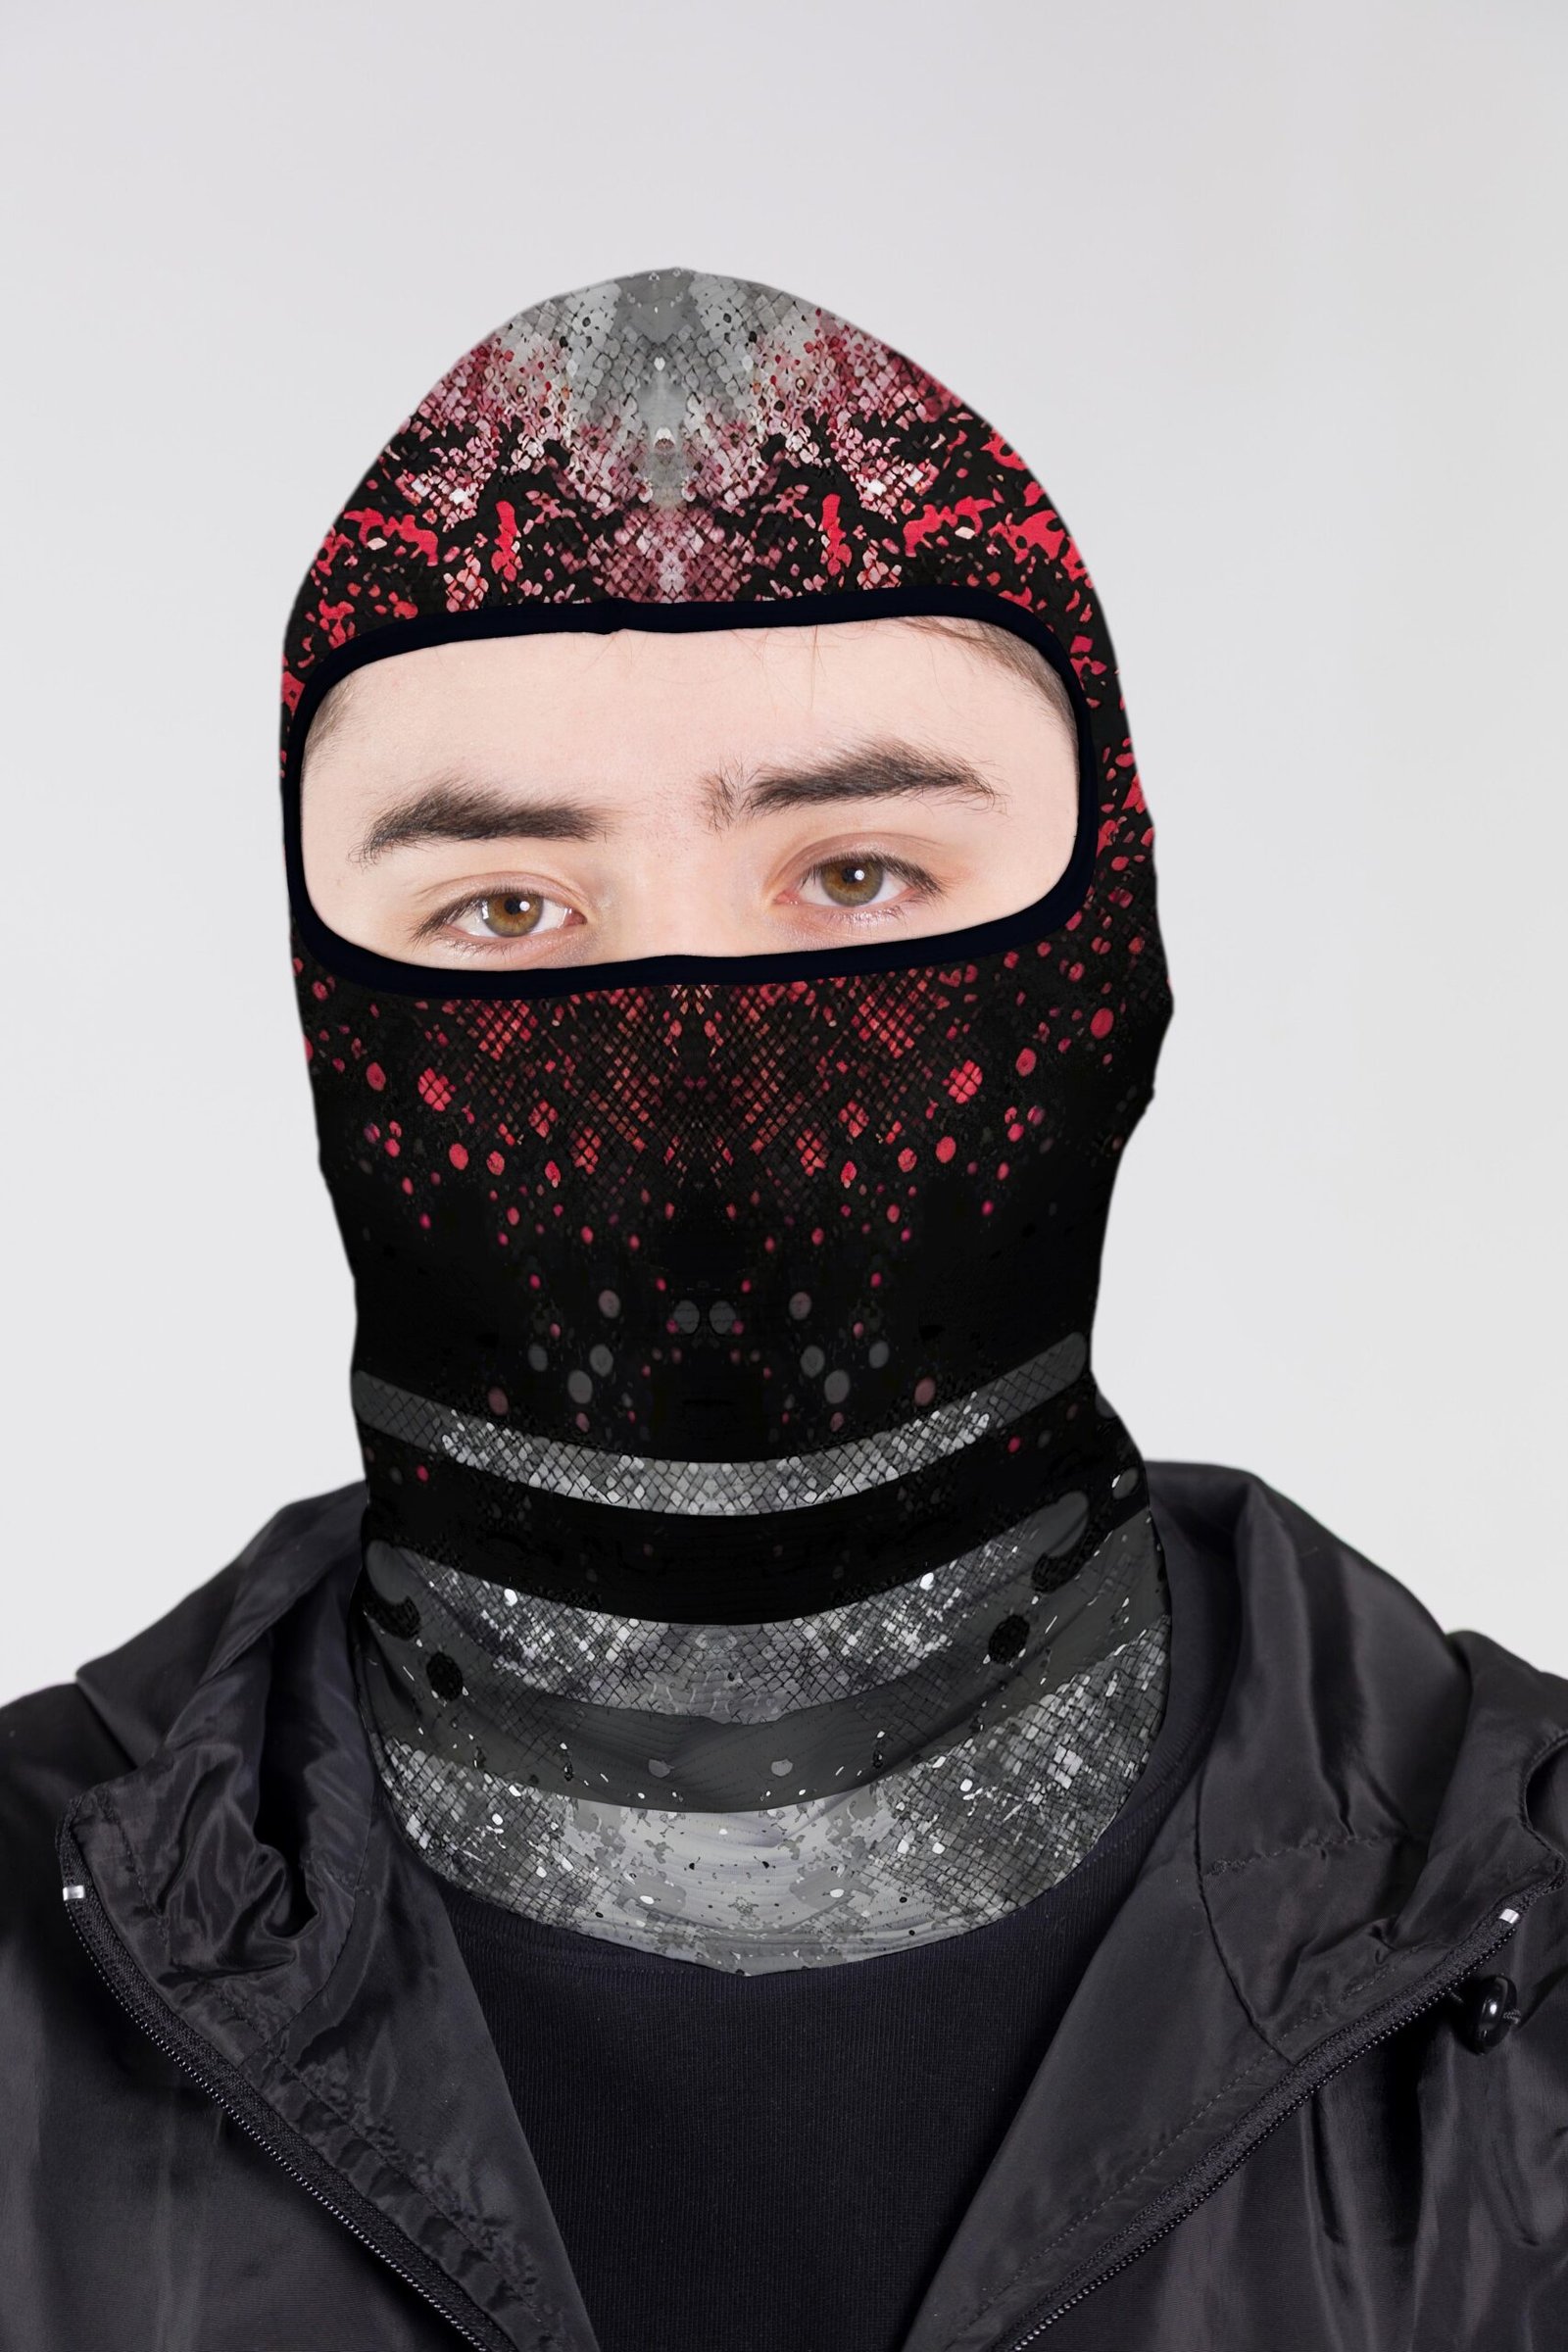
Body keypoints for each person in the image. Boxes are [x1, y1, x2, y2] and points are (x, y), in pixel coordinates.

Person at [2, 265, 1564, 2351]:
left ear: (1116, 946)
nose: (696, 1092)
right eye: (505, 907)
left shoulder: (1526, 1965)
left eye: (857, 875)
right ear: (320, 1020)